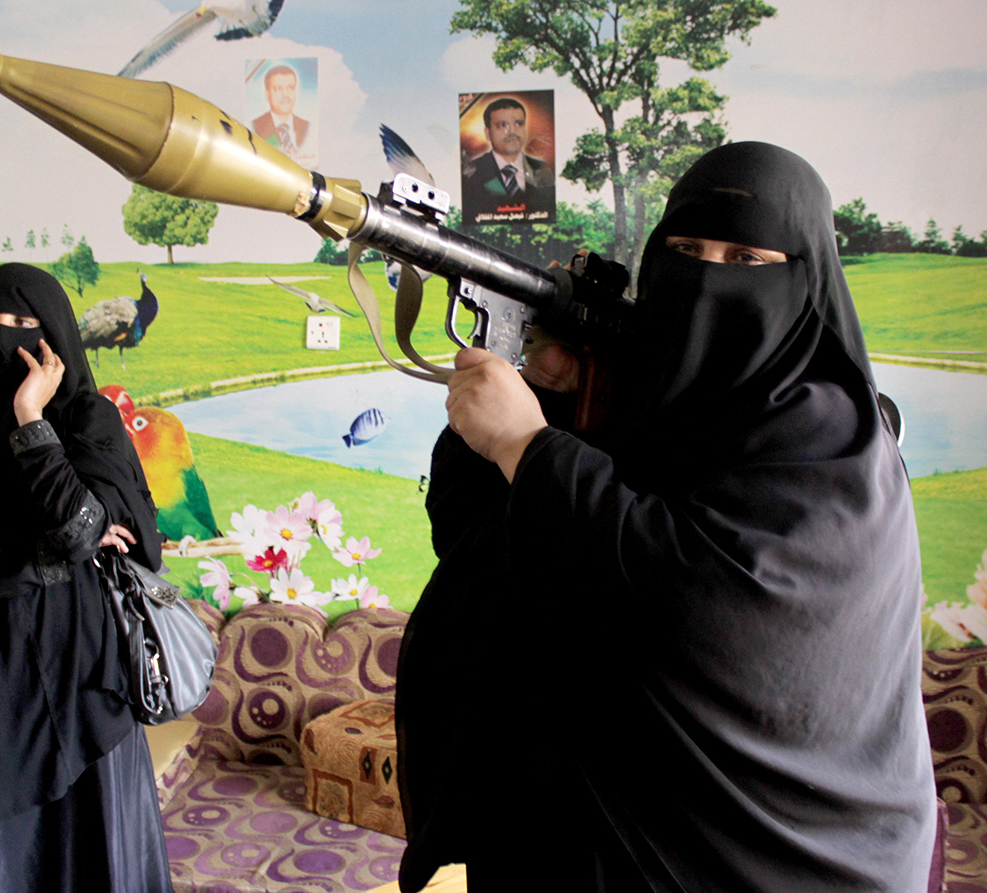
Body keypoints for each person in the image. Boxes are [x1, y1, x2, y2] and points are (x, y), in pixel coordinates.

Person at [396, 142, 938, 891]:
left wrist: (530, 444)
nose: (707, 277)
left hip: (778, 860)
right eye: (684, 250)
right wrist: (552, 402)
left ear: (806, 277)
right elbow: (480, 537)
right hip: (589, 837)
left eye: (746, 259)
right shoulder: (647, 400)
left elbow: (702, 602)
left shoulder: (831, 438)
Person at [0, 263, 172, 892]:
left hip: (81, 674)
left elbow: (82, 532)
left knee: (93, 846)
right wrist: (43, 558)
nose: (3, 339)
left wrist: (31, 418)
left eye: (23, 324)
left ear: (53, 336)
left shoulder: (88, 422)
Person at [461, 96, 556, 221]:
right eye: (502, 125)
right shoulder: (470, 174)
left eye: (518, 124)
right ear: (488, 134)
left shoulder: (546, 170)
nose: (512, 131)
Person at [251, 64, 311, 158]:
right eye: (278, 88)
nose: (285, 95)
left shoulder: (307, 127)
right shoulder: (255, 126)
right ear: (267, 95)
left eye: (290, 88)